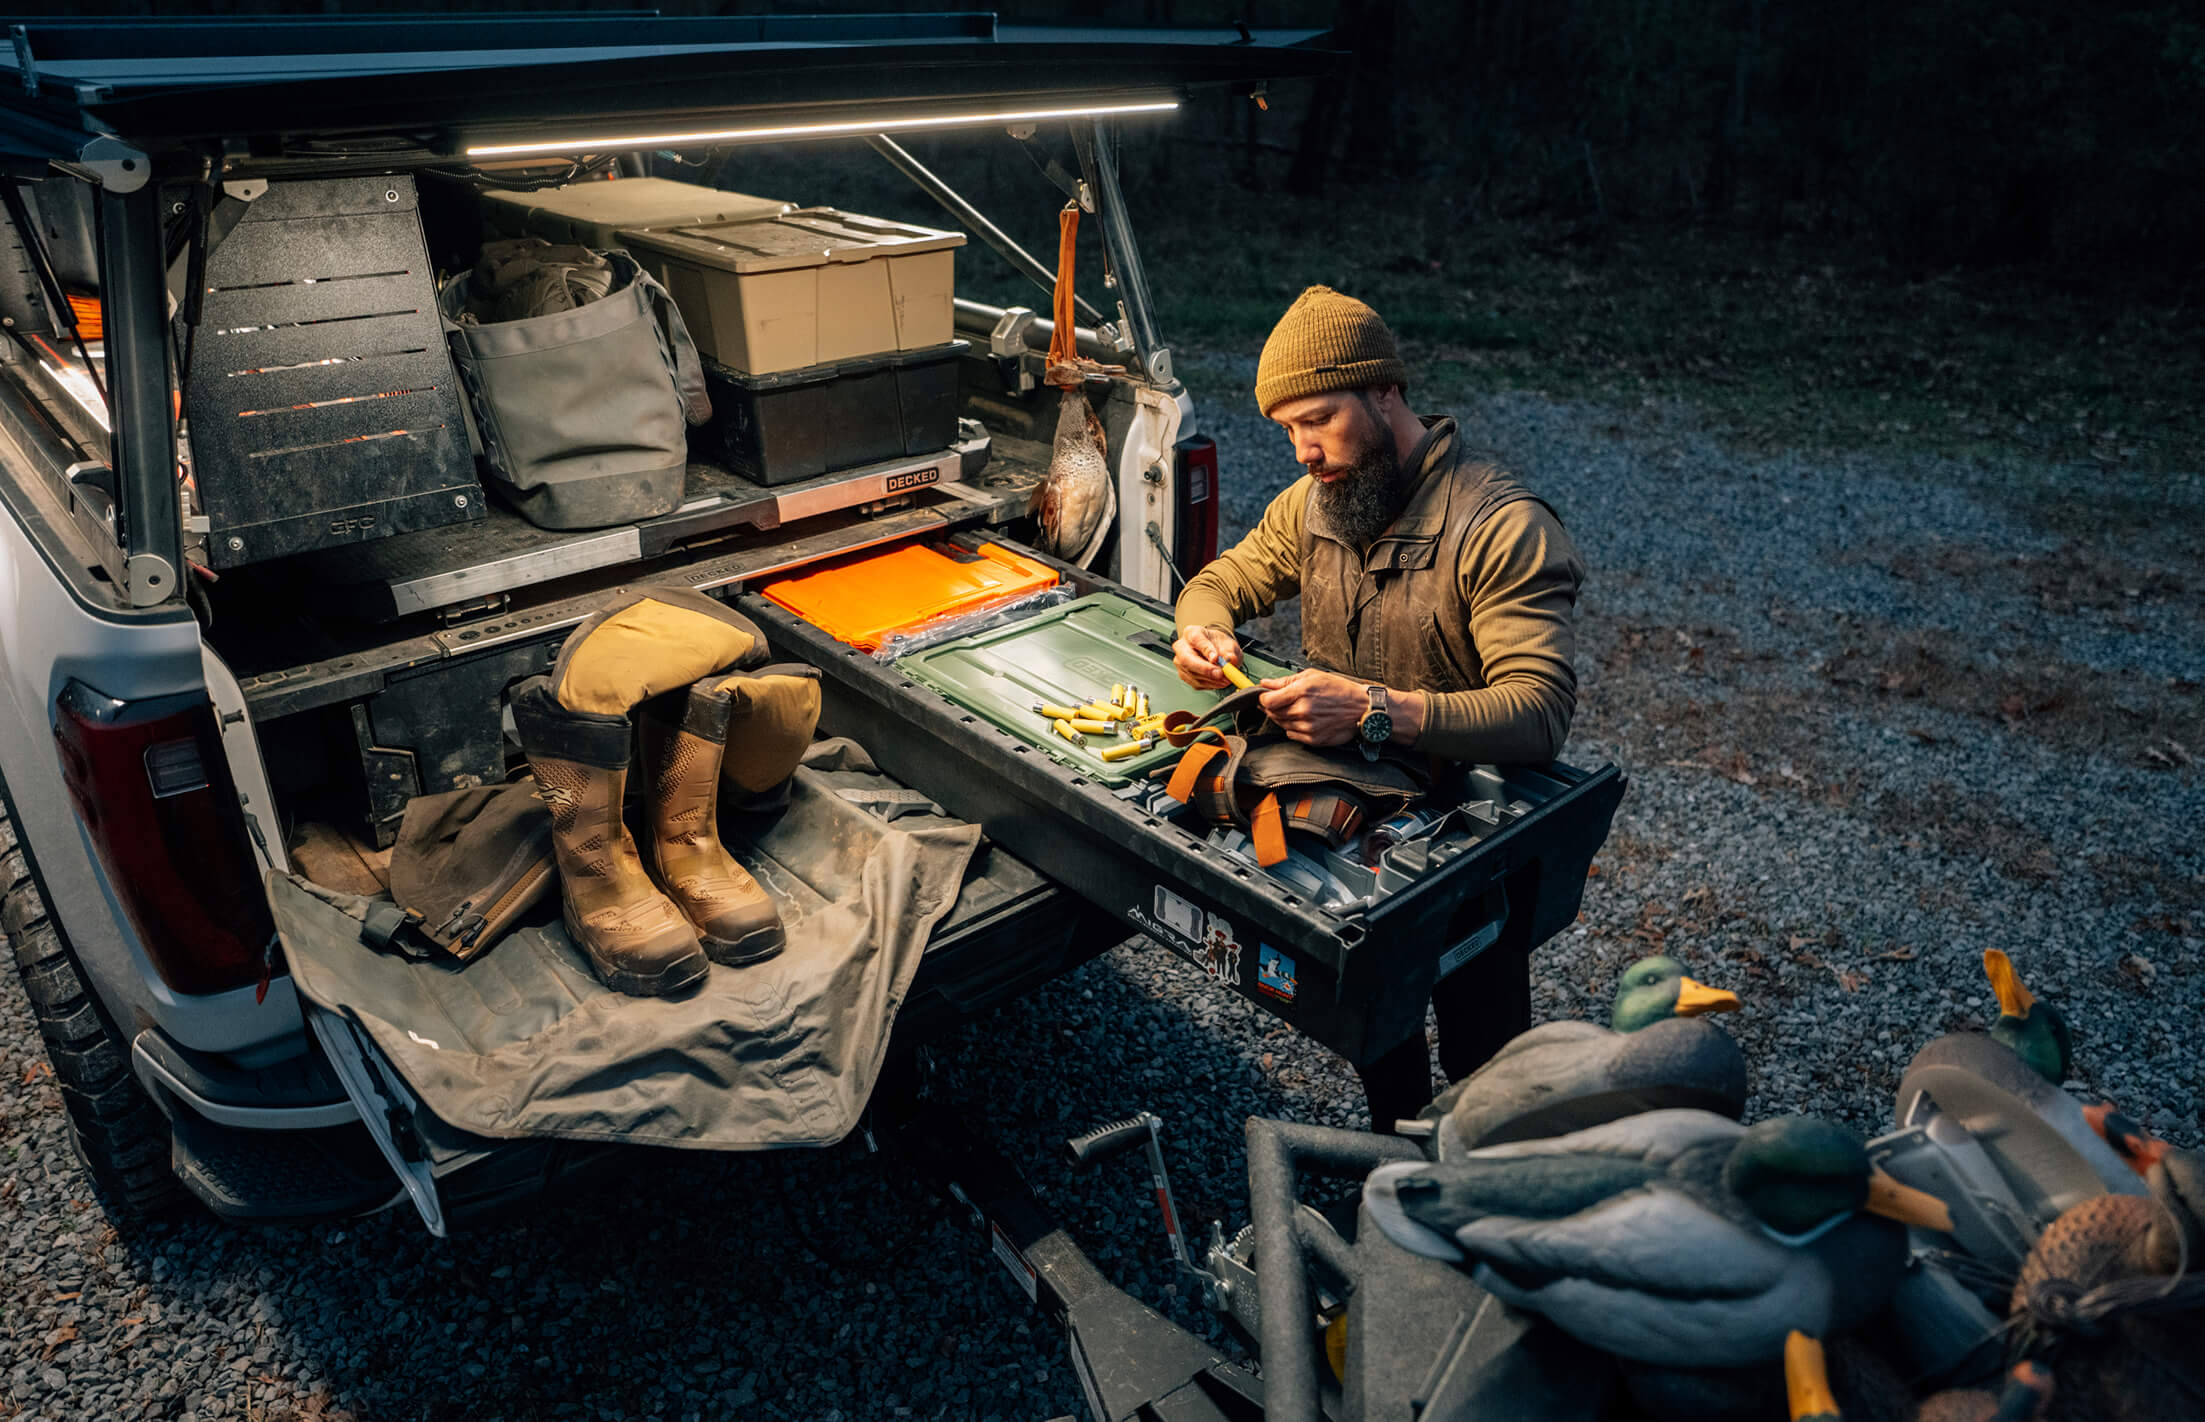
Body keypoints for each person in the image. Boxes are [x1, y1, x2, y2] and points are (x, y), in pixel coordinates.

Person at [1170, 285, 1587, 1130]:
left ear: (1384, 393)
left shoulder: (1500, 527)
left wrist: (1371, 710)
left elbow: (1539, 711)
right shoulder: (1313, 507)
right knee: (1375, 1030)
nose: (1301, 452)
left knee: (1485, 1056)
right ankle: (1392, 1166)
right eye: (1286, 430)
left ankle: (1486, 1192)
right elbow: (1218, 582)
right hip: (1352, 825)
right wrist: (1201, 631)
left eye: (1318, 420)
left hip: (1473, 841)